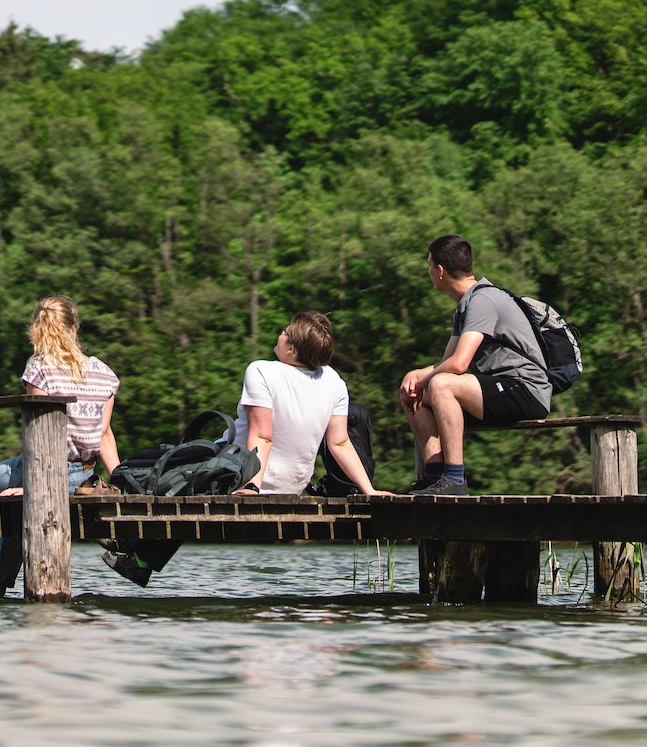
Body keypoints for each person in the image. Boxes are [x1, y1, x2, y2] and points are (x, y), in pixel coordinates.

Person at [103, 310, 379, 586]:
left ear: (292, 349)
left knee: (161, 467)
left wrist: (253, 486)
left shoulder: (263, 370)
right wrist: (370, 491)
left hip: (242, 475)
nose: (280, 334)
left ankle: (129, 544)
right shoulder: (333, 380)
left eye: (284, 332)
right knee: (190, 476)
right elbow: (339, 443)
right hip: (292, 484)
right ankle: (138, 558)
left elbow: (262, 436)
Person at [0, 296, 120, 597]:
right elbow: (104, 434)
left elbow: (40, 434)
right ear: (74, 328)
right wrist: (120, 479)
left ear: (37, 330)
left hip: (44, 468)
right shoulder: (104, 373)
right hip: (83, 475)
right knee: (17, 510)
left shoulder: (39, 368)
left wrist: (33, 486)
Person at [397, 235, 552, 495]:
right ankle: (434, 476)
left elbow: (459, 365)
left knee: (440, 384)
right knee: (415, 390)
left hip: (526, 390)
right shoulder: (466, 305)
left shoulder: (483, 300)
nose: (428, 271)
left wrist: (425, 378)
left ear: (440, 271)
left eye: (428, 265)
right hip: (502, 388)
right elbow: (447, 362)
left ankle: (454, 480)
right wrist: (416, 376)